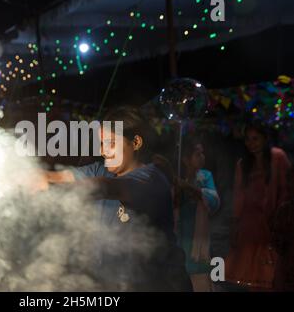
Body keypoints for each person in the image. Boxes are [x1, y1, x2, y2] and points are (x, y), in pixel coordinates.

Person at [44, 106, 192, 291]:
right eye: (102, 143)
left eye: (111, 143)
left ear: (136, 142)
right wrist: (29, 175)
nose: (104, 151)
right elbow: (60, 177)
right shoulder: (101, 169)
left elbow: (104, 187)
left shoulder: (151, 178)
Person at [225, 121, 291, 291]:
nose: (251, 143)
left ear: (265, 139)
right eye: (248, 139)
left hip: (274, 222)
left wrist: (280, 218)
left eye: (255, 139)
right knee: (252, 275)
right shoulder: (243, 164)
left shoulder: (278, 157)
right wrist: (235, 223)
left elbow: (286, 189)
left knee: (273, 274)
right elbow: (239, 195)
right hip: (250, 224)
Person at [175, 138, 220, 291]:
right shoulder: (177, 178)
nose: (202, 157)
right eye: (197, 154)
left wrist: (193, 189)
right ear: (186, 159)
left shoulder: (205, 176)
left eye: (203, 153)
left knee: (200, 277)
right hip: (180, 233)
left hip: (198, 237)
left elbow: (214, 201)